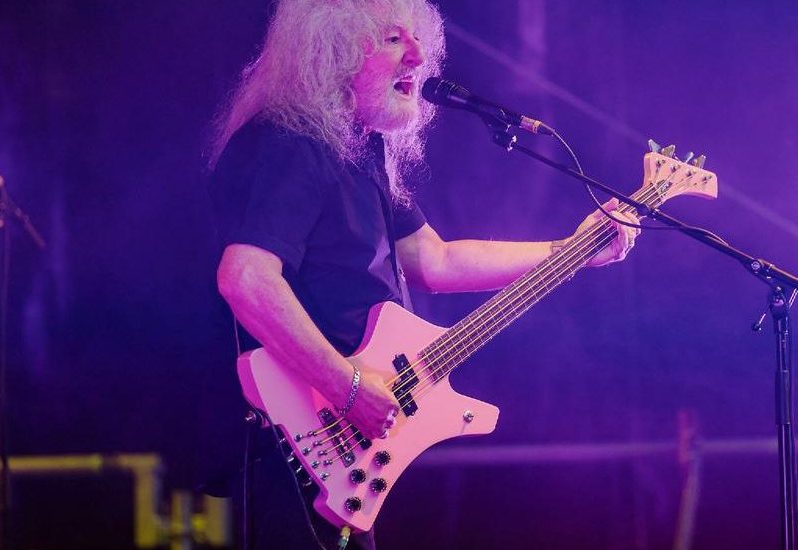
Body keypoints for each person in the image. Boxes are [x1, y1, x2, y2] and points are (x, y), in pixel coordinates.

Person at [207, 1, 640, 548]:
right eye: (393, 39)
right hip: (289, 444)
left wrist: (573, 250)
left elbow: (436, 261)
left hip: (337, 452)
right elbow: (246, 278)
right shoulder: (288, 142)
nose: (418, 56)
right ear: (335, 50)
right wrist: (348, 388)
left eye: (418, 38)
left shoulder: (359, 149)